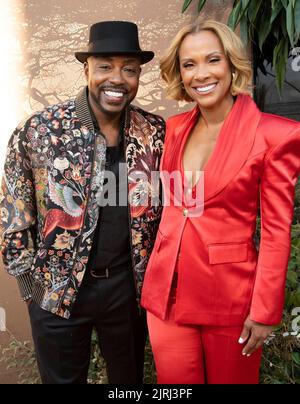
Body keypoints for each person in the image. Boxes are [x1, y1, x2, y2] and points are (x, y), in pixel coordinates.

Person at [0, 21, 165, 384]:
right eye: (105, 65)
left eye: (130, 69)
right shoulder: (41, 130)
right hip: (56, 289)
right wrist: (31, 287)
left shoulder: (153, 133)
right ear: (87, 68)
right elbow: (13, 212)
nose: (118, 79)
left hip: (127, 291)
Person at [141, 20, 300, 384]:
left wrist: (264, 311)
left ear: (231, 64)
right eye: (189, 64)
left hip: (230, 300)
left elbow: (276, 232)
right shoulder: (175, 128)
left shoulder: (276, 135)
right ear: (179, 73)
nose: (201, 74)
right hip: (166, 297)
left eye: (212, 60)